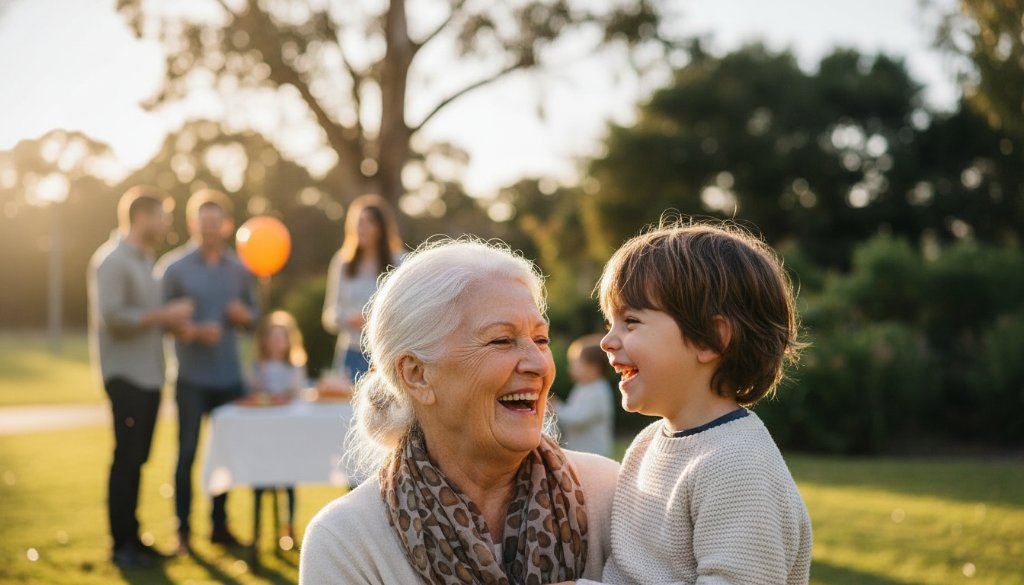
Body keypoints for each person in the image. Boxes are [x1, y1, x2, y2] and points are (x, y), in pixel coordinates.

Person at [300, 239, 619, 585]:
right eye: (501, 340)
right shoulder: (346, 542)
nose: (539, 364)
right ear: (417, 375)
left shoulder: (609, 495)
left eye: (540, 340)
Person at [573, 221, 812, 585]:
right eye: (610, 322)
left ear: (711, 341)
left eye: (631, 321)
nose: (606, 341)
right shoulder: (647, 444)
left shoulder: (736, 465)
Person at [87, 186, 195, 568]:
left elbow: (147, 321)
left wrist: (174, 324)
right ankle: (121, 546)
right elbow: (113, 318)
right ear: (142, 217)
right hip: (125, 376)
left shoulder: (145, 261)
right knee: (126, 459)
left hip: (150, 377)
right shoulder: (112, 261)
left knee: (138, 459)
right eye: (162, 215)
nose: (167, 222)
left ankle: (133, 537)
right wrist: (165, 316)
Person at [157, 188, 261, 555]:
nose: (210, 230)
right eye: (204, 224)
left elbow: (255, 318)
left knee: (227, 454)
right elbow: (161, 320)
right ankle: (183, 533)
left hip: (230, 377)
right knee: (186, 454)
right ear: (192, 224)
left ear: (227, 225)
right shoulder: (173, 268)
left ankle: (220, 527)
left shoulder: (240, 268)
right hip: (190, 379)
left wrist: (243, 316)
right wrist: (193, 331)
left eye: (216, 224)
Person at [321, 194, 404, 383]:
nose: (363, 228)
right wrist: (348, 319)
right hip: (350, 355)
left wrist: (375, 320)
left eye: (369, 222)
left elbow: (408, 309)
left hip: (387, 354)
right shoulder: (342, 263)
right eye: (359, 222)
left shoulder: (399, 261)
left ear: (381, 228)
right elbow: (329, 314)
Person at [246, 310, 308, 540]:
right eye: (271, 337)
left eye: (280, 337)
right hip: (263, 437)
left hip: (287, 436)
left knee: (289, 481)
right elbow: (253, 392)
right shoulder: (257, 367)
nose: (276, 342)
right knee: (261, 481)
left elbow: (296, 393)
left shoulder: (294, 367)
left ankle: (289, 526)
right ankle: (258, 530)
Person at [551, 334, 615, 457]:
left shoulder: (598, 391)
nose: (571, 368)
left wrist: (557, 407)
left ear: (593, 367)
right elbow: (573, 411)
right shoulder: (582, 387)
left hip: (593, 453)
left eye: (575, 363)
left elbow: (578, 418)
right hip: (580, 449)